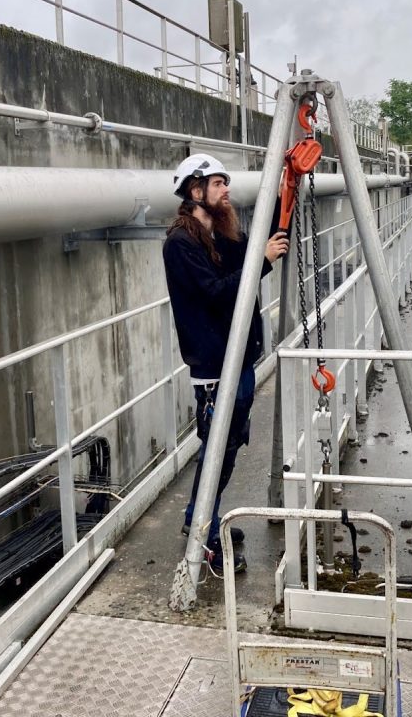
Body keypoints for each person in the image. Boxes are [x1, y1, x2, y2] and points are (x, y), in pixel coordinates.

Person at [162, 153, 288, 573]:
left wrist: (283, 193)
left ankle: (200, 519)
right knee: (218, 448)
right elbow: (215, 293)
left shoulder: (218, 233)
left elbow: (259, 245)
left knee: (228, 448)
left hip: (238, 357)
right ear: (196, 191)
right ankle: (204, 537)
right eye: (218, 183)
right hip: (216, 366)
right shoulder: (181, 244)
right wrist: (263, 261)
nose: (226, 190)